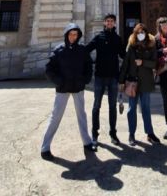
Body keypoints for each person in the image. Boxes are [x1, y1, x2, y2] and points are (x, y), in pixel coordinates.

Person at [40, 22, 97, 160]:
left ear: (78, 36)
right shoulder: (59, 50)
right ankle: (45, 147)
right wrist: (59, 81)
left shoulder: (82, 50)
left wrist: (85, 80)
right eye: (71, 34)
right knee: (55, 116)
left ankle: (87, 142)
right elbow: (49, 69)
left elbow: (88, 66)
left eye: (75, 34)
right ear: (67, 35)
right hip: (63, 88)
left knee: (81, 115)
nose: (73, 37)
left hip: (78, 88)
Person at [118, 22, 162, 146]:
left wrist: (143, 62)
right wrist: (121, 80)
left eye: (143, 32)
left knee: (146, 108)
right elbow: (125, 64)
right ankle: (131, 134)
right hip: (132, 81)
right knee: (131, 109)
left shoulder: (151, 45)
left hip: (146, 81)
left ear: (146, 33)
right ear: (135, 33)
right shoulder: (131, 46)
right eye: (138, 32)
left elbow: (154, 63)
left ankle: (150, 133)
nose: (140, 34)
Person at [86, 13, 126, 145]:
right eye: (107, 21)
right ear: (104, 23)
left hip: (113, 77)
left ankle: (113, 133)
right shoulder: (98, 37)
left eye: (112, 21)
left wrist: (136, 55)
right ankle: (94, 134)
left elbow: (123, 55)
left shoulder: (117, 38)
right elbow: (87, 49)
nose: (109, 23)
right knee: (96, 106)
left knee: (112, 107)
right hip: (99, 76)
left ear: (115, 23)